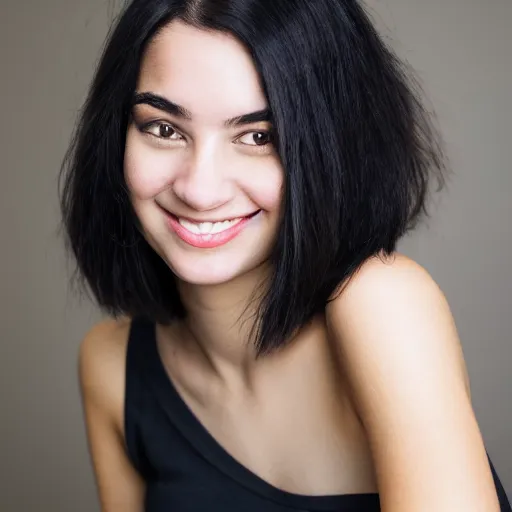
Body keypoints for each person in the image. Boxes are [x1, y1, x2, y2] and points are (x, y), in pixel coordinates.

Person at [59, 0, 511, 510]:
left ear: (328, 146)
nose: (200, 189)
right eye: (164, 129)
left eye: (258, 136)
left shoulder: (384, 304)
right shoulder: (112, 365)